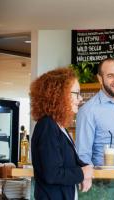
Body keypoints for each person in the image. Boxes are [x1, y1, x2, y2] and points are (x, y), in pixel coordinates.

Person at [30, 67, 93, 200]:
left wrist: (85, 169)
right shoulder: (47, 126)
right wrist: (82, 173)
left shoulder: (58, 126)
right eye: (76, 93)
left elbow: (67, 162)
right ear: (59, 94)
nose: (80, 98)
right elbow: (52, 174)